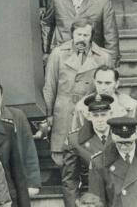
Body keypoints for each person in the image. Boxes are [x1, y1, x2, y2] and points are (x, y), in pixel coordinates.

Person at [43, 18, 111, 166]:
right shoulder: (58, 54)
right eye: (79, 34)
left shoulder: (103, 57)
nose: (82, 39)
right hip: (63, 112)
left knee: (91, 157)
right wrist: (49, 114)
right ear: (72, 34)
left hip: (89, 112)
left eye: (86, 35)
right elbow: (50, 85)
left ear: (91, 36)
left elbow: (108, 90)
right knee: (62, 158)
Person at [41, 0, 120, 65]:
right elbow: (47, 24)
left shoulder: (102, 0)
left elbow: (110, 34)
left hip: (92, 59)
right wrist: (46, 51)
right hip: (63, 58)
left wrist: (111, 62)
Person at [0, 80, 41, 196]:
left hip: (11, 183)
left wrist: (33, 183)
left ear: (2, 98)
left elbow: (29, 150)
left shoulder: (17, 116)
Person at [89, 116, 137, 207]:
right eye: (119, 143)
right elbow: (96, 202)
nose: (123, 147)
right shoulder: (99, 163)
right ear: (112, 137)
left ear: (136, 135)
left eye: (128, 143)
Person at [62, 93, 114, 207]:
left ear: (110, 114)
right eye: (95, 115)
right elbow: (70, 181)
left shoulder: (120, 136)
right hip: (91, 199)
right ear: (88, 116)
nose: (100, 119)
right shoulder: (75, 140)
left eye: (103, 115)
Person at [72, 65, 137, 141]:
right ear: (94, 82)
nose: (103, 87)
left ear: (116, 83)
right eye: (99, 82)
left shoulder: (130, 105)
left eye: (107, 83)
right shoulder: (82, 106)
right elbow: (76, 138)